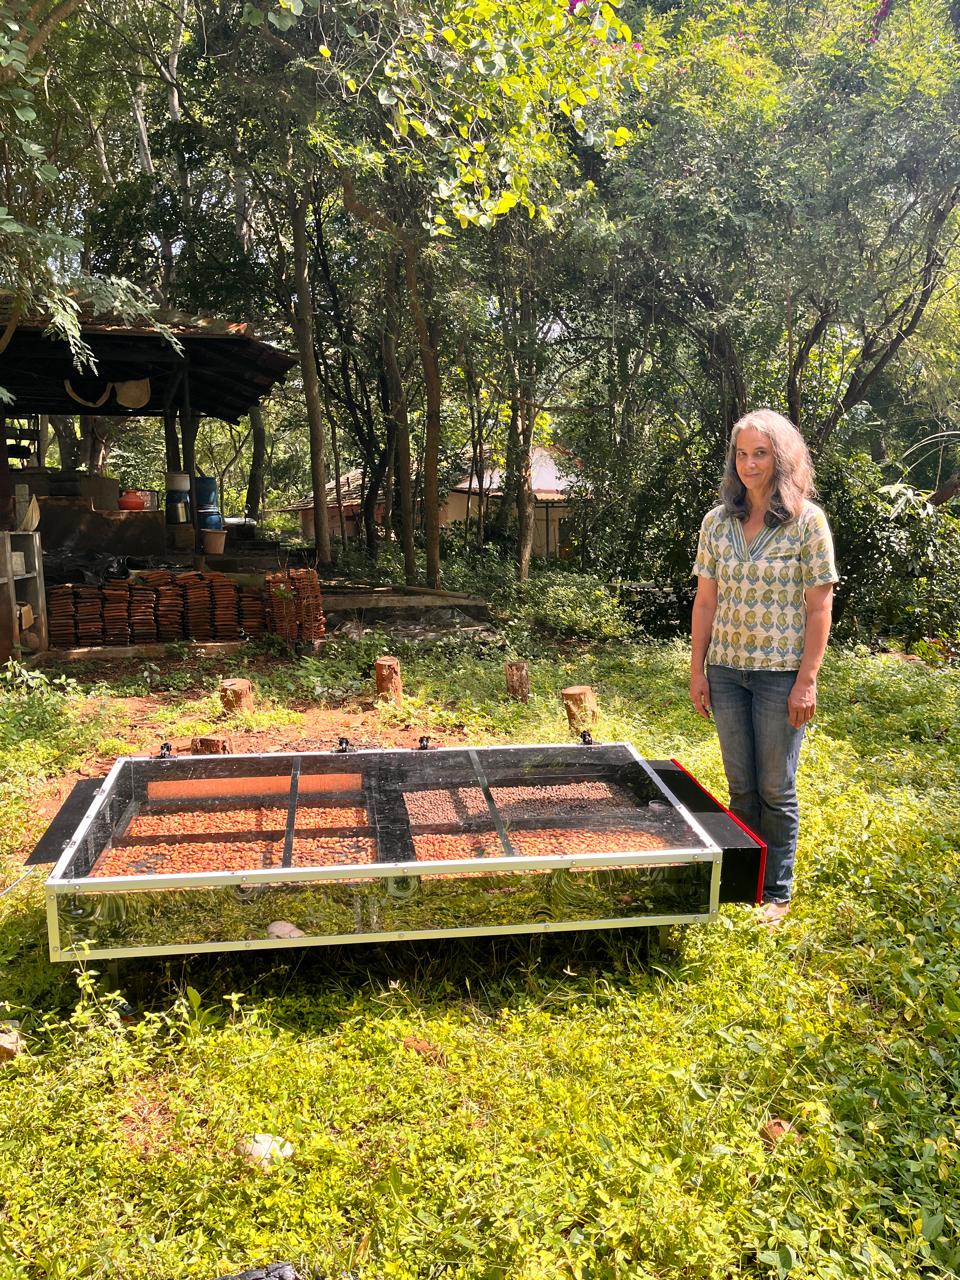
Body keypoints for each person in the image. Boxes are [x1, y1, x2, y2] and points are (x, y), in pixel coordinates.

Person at [689, 409, 838, 926]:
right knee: (742, 787)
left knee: (776, 789)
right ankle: (742, 883)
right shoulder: (717, 522)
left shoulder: (807, 522)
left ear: (782, 457)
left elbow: (820, 607)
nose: (749, 463)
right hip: (727, 672)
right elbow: (705, 602)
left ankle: (775, 892)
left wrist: (807, 681)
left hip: (780, 677)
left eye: (761, 452)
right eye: (742, 453)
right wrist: (697, 669)